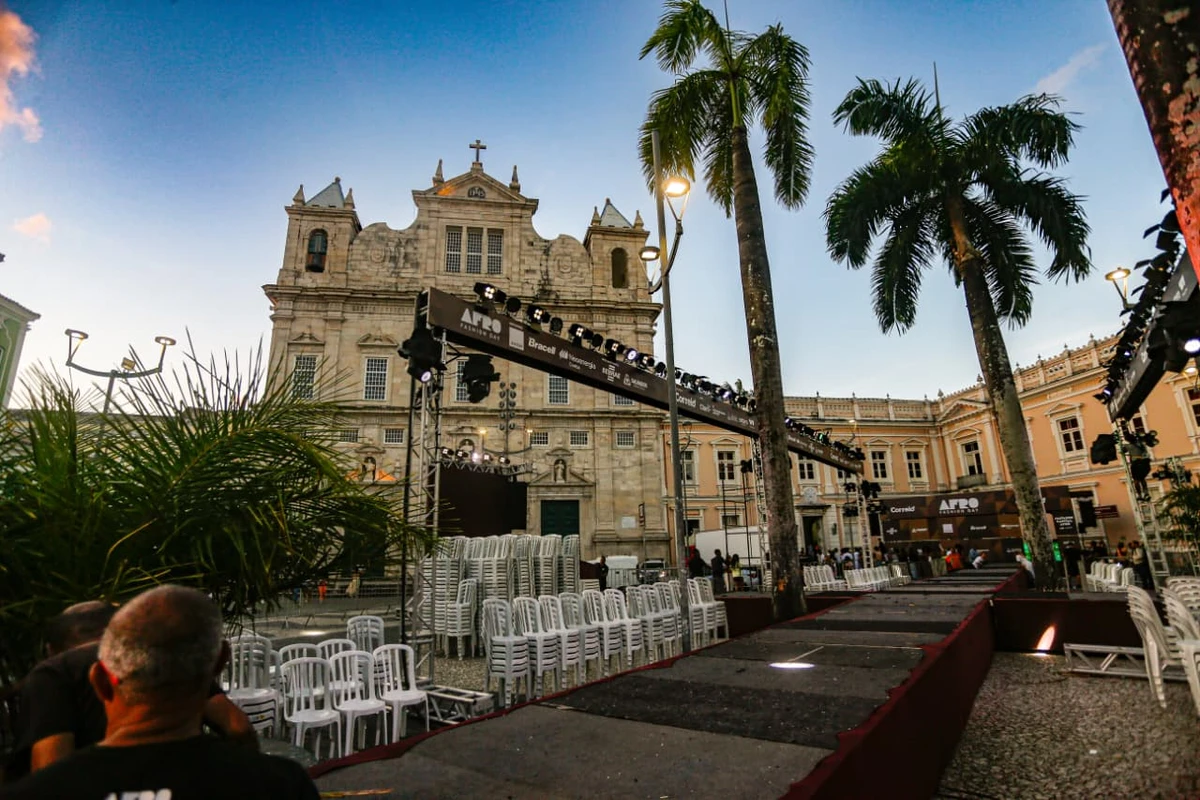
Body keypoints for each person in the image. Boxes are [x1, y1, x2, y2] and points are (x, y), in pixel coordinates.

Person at [1, 585, 318, 800]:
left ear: (100, 679)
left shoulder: (54, 674)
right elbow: (237, 726)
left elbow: (49, 762)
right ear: (218, 662)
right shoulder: (280, 784)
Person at [10, 600, 256, 783]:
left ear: (51, 649)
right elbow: (238, 727)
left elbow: (51, 769)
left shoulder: (54, 673)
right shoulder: (167, 660)